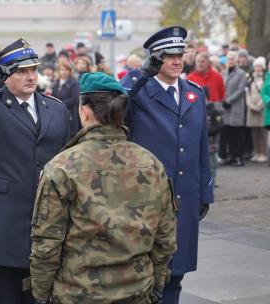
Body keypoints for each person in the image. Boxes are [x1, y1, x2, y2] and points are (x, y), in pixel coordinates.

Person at [30, 72, 177, 304]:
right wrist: (157, 285)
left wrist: (40, 294)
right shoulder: (151, 164)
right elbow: (165, 238)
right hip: (137, 292)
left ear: (84, 112)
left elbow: (46, 244)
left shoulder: (61, 167)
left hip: (77, 294)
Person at [0, 38, 71, 304]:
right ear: (4, 76)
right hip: (5, 222)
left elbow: (69, 158)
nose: (30, 76)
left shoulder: (56, 108)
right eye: (21, 71)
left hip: (49, 223)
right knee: (9, 296)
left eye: (33, 69)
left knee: (45, 296)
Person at [121, 26, 214, 304]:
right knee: (146, 274)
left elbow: (200, 147)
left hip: (185, 196)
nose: (176, 61)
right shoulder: (139, 91)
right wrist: (139, 75)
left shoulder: (194, 94)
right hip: (148, 200)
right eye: (168, 56)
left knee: (176, 274)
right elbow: (114, 108)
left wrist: (205, 192)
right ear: (154, 59)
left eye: (180, 55)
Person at [221, 51, 247, 166]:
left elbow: (241, 90)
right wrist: (223, 100)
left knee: (237, 134)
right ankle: (231, 156)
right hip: (225, 107)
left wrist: (229, 100)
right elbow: (220, 88)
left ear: (236, 60)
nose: (230, 61)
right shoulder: (223, 72)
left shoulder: (241, 73)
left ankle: (239, 157)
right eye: (228, 59)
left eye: (232, 59)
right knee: (228, 134)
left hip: (236, 107)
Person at [246, 56, 268, 162]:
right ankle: (256, 152)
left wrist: (259, 106)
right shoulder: (250, 79)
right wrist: (250, 105)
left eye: (260, 66)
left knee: (262, 132)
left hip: (261, 109)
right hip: (251, 108)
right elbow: (247, 93)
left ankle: (263, 153)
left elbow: (265, 93)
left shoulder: (265, 79)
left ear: (263, 68)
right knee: (254, 132)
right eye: (256, 66)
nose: (257, 68)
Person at [51, 62, 81, 136]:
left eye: (66, 70)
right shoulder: (56, 83)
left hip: (70, 114)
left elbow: (75, 99)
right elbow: (53, 96)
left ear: (70, 71)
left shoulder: (74, 83)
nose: (63, 72)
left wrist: (60, 104)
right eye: (61, 70)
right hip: (57, 114)